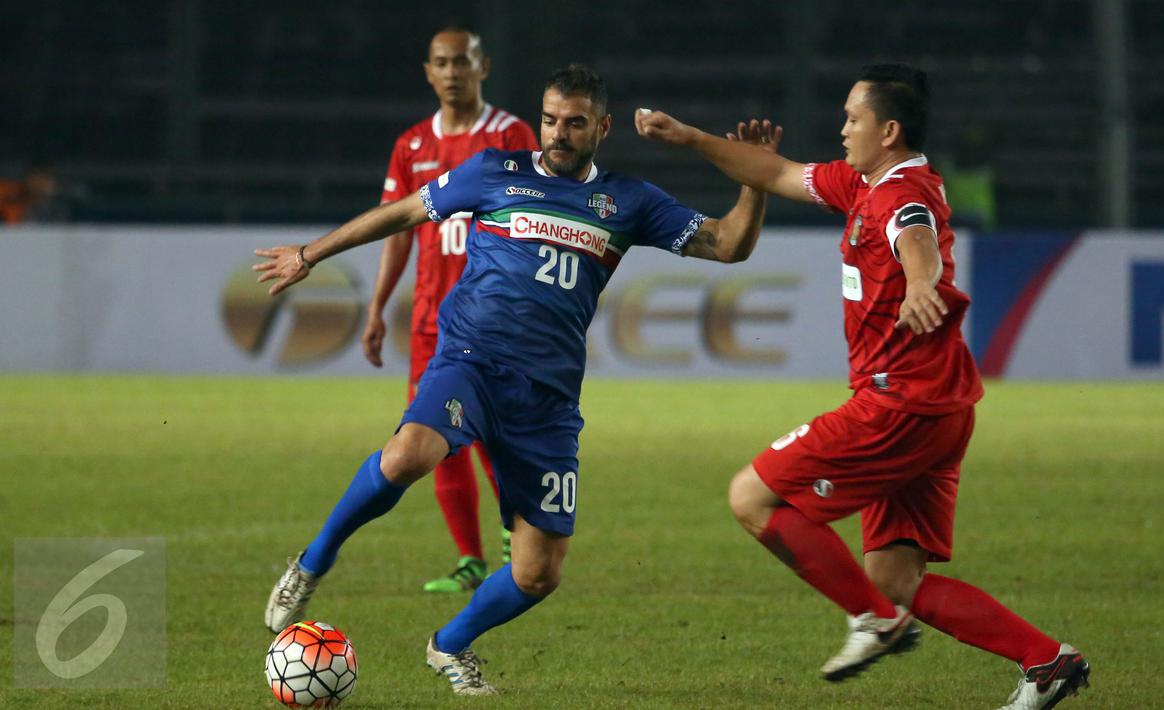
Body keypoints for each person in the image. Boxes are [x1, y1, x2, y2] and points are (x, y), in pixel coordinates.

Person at [257, 63, 778, 695]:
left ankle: (448, 646)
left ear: (603, 127)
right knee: (409, 454)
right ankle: (311, 565)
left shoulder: (629, 201)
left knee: (538, 573)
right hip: (472, 361)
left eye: (575, 123)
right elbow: (400, 213)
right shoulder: (492, 172)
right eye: (550, 119)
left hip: (548, 401)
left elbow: (728, 246)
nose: (558, 133)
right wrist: (309, 254)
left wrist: (754, 179)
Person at [636, 64, 1090, 710]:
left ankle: (871, 622)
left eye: (853, 118)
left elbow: (916, 239)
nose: (842, 128)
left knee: (752, 497)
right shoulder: (862, 184)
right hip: (937, 408)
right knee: (894, 579)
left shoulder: (904, 193)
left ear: (889, 130)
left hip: (898, 405)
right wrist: (689, 137)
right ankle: (1046, 662)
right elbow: (773, 172)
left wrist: (920, 283)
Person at [363, 26, 539, 593]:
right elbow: (397, 231)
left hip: (491, 319)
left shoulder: (510, 134)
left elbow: (539, 218)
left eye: (462, 61)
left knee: (492, 430)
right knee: (433, 435)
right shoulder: (411, 145)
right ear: (428, 70)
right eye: (442, 62)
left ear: (482, 67)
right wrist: (377, 307)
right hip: (429, 321)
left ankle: (515, 531)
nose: (452, 72)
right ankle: (469, 559)